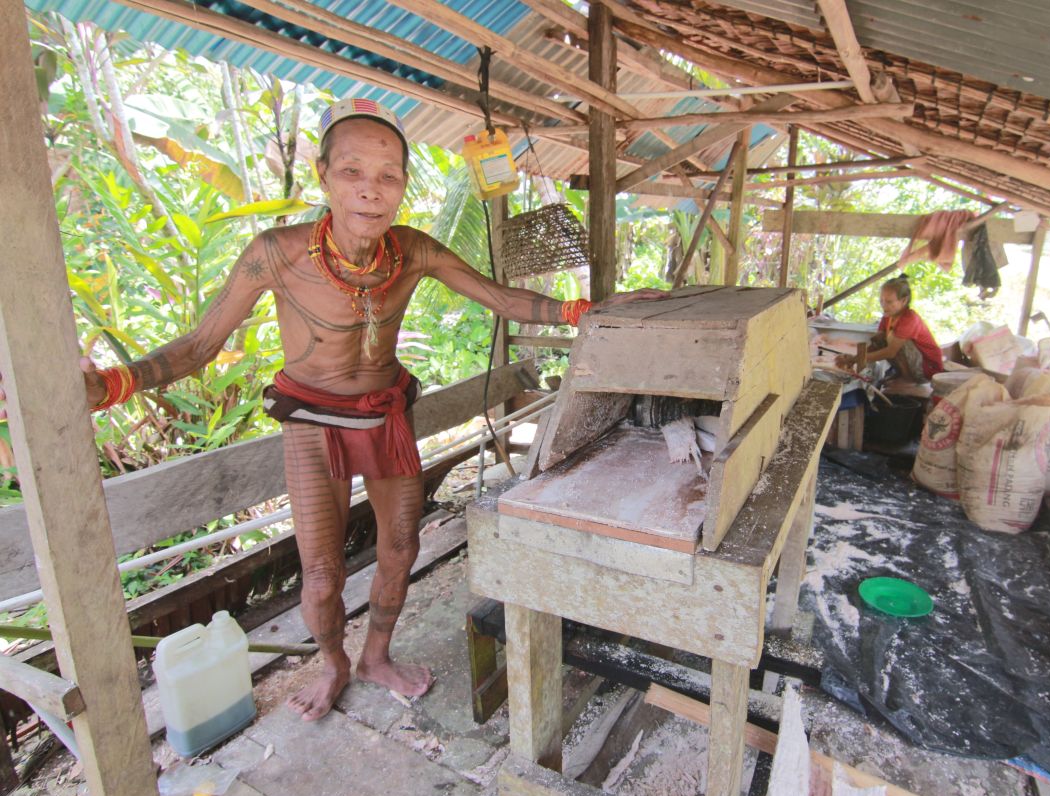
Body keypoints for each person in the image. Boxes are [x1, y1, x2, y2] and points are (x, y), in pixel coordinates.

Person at [25, 98, 667, 721]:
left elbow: (501, 298)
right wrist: (112, 386)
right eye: (353, 172)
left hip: (386, 415)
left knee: (402, 546)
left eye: (389, 176)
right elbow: (199, 345)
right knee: (324, 573)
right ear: (324, 177)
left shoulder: (411, 250)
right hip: (312, 424)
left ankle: (375, 657)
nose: (370, 189)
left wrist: (584, 311)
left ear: (404, 187)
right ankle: (332, 663)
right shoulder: (275, 253)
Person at [836, 274, 943, 383]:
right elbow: (876, 344)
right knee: (878, 339)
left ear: (904, 301)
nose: (883, 305)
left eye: (889, 302)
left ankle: (907, 379)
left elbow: (890, 352)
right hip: (914, 364)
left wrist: (855, 359)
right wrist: (854, 359)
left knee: (897, 340)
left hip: (927, 369)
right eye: (881, 301)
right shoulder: (888, 316)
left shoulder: (909, 318)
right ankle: (901, 374)